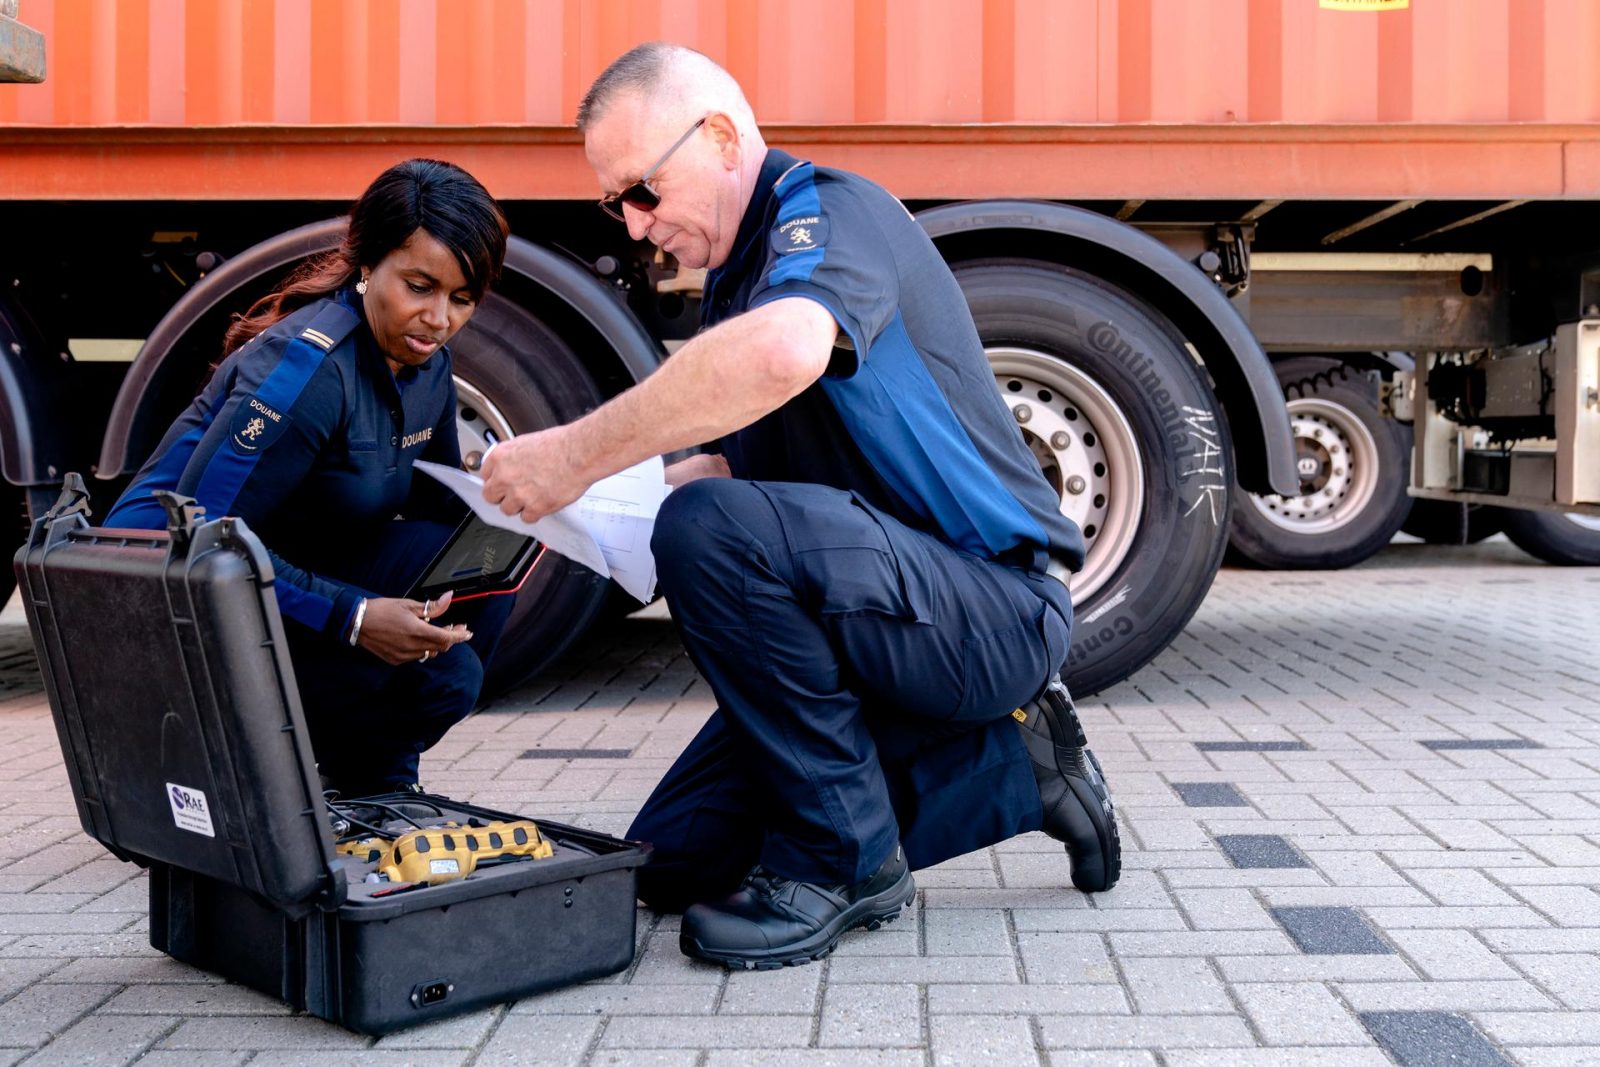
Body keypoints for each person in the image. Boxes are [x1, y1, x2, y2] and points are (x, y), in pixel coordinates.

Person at [481, 44, 1119, 969]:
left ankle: (847, 863)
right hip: (881, 614)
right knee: (673, 862)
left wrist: (575, 457)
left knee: (706, 532)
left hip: (990, 609)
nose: (632, 224)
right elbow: (767, 503)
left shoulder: (835, 212)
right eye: (613, 203)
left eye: (644, 191)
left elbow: (786, 355)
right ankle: (1023, 769)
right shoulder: (734, 288)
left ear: (722, 135)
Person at [105, 158, 514, 799]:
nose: (439, 318)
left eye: (461, 299)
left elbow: (438, 501)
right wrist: (354, 616)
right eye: (419, 286)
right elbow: (202, 542)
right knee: (446, 678)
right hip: (163, 607)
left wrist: (541, 499)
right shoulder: (305, 376)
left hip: (280, 561)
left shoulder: (427, 361)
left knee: (483, 567)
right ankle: (254, 772)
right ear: (367, 265)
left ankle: (371, 780)